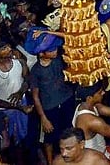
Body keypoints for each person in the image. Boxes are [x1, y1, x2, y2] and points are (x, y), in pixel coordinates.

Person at [30, 36, 75, 164]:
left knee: (69, 133)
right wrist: (43, 118)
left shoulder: (60, 60)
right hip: (50, 108)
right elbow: (35, 96)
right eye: (51, 50)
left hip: (67, 102)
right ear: (41, 53)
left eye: (55, 48)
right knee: (49, 138)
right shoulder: (35, 70)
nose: (55, 51)